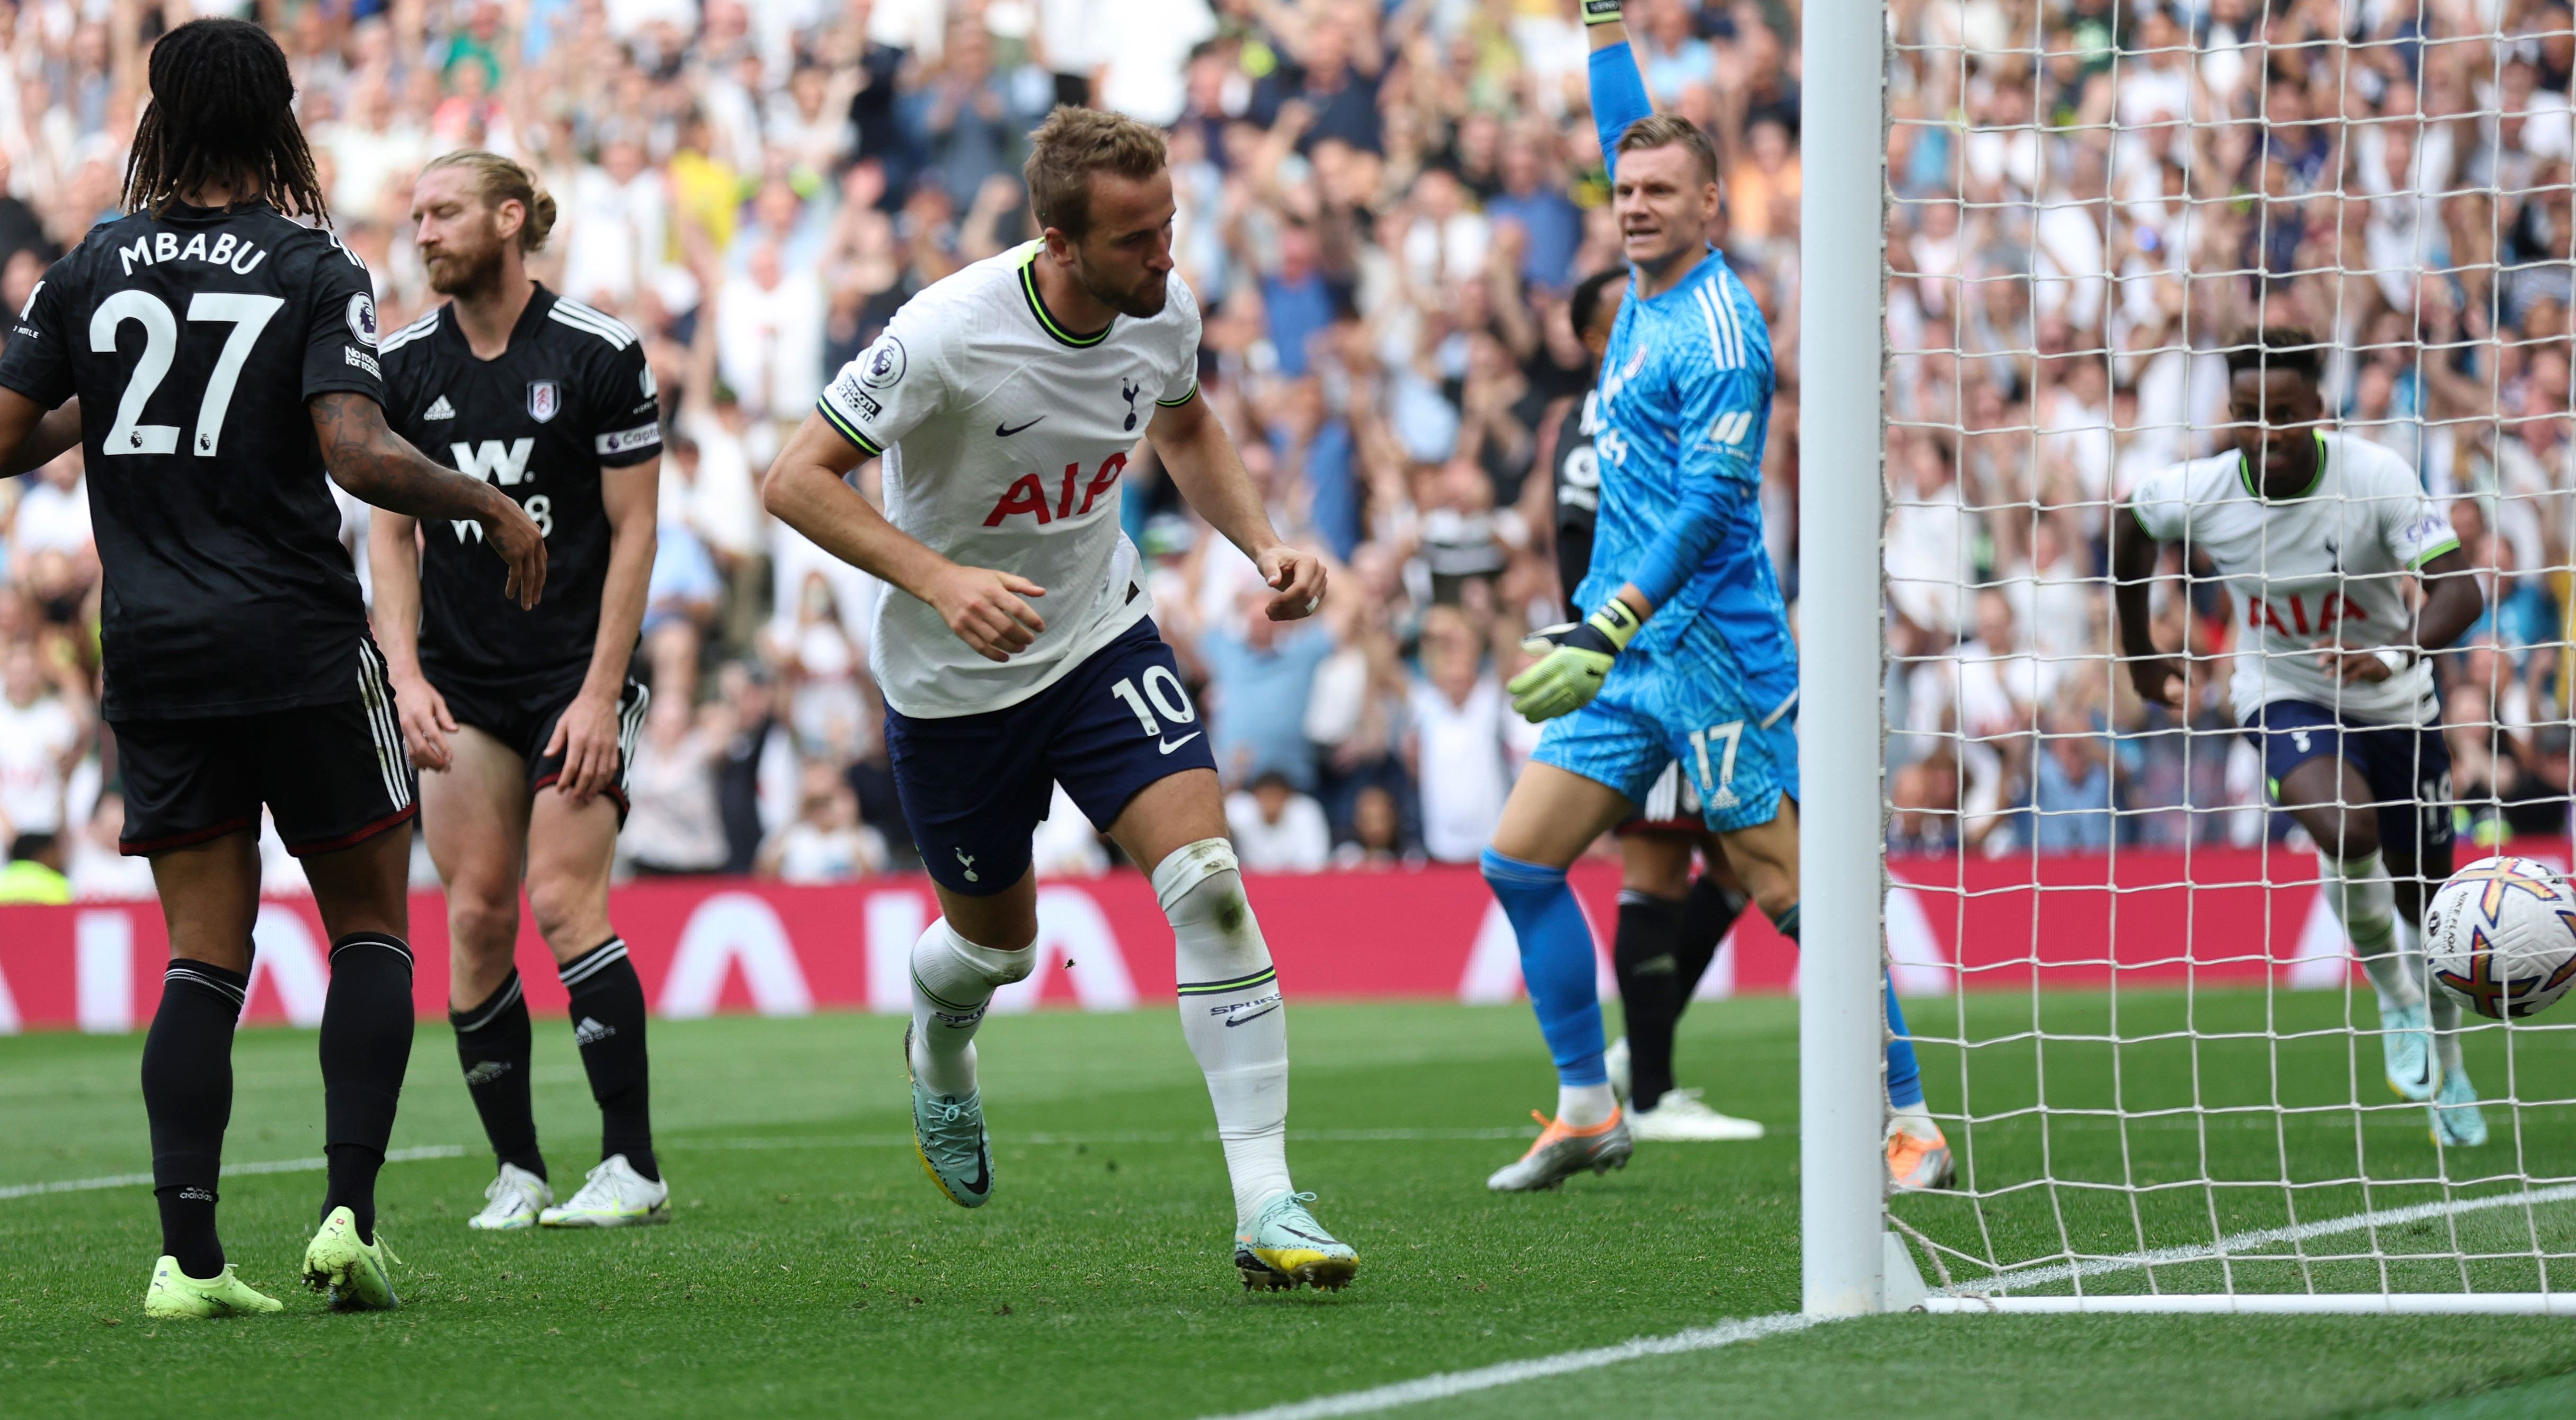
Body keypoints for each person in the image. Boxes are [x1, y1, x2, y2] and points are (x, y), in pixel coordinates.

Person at [0, 19, 545, 1319]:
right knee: (369, 928)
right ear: (277, 119)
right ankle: (347, 1220)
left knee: (202, 957)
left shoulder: (91, 263)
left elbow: (13, 435)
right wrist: (487, 502)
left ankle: (187, 1262)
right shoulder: (312, 262)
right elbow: (354, 451)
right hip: (297, 643)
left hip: (155, 649)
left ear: (160, 119)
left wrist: (117, 403)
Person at [763, 105, 1358, 1292]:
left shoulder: (1162, 307)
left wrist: (1262, 543)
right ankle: (939, 1052)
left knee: (1212, 890)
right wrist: (937, 580)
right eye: (1137, 239)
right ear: (1059, 242)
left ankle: (1268, 1207)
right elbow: (792, 479)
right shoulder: (944, 335)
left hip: (1098, 634)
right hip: (955, 677)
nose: (1166, 257)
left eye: (1169, 228)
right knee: (999, 949)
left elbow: (1184, 425)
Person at [1479, 11, 1950, 1192]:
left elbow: (1706, 513)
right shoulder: (1639, 287)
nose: (1633, 203)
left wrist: (1610, 620)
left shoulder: (1721, 330)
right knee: (1519, 864)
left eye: (1659, 191)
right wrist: (1601, 26)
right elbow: (1620, 125)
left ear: (1711, 210)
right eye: (1623, 188)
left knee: (1790, 893)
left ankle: (1908, 1120)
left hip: (1710, 655)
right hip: (1628, 656)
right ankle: (1590, 1107)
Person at [367, 151, 669, 1231]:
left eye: (443, 212)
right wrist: (402, 676)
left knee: (558, 899)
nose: (423, 231)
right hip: (457, 678)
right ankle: (520, 1172)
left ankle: (633, 1166)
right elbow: (390, 535)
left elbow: (637, 529)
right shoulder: (397, 367)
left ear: (509, 219)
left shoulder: (598, 351)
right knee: (480, 914)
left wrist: (599, 694)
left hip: (570, 672)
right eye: (414, 216)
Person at [2114, 326, 2489, 1146]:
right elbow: (2130, 528)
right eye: (2249, 414)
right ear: (2229, 414)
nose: (2267, 434)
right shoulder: (2204, 488)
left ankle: (2449, 1063)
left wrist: (2389, 652)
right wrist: (2140, 660)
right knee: (2345, 827)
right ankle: (2390, 995)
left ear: (2318, 408)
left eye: (2284, 413)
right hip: (2280, 690)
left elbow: (2460, 592)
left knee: (2426, 903)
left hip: (2395, 699)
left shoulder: (2377, 477)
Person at [1553, 265, 1762, 1145]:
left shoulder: (1643, 404)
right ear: (1599, 341)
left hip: (1696, 656)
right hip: (1647, 659)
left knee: (1736, 866)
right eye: (1626, 318)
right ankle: (1650, 1089)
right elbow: (1585, 546)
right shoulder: (1598, 421)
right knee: (1655, 866)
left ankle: (1636, 1055)